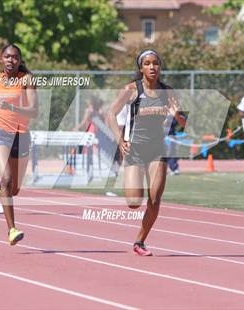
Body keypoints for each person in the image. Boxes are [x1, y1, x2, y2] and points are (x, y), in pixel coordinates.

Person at [107, 49, 185, 256]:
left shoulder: (167, 92)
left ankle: (140, 241)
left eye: (156, 63)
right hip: (135, 149)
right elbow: (110, 114)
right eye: (147, 63)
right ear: (140, 68)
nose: (152, 67)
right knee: (134, 202)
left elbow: (185, 123)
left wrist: (177, 113)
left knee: (155, 198)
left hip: (157, 150)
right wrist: (119, 139)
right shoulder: (132, 90)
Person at [0, 43, 38, 246]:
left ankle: (4, 191)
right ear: (1, 59)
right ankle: (12, 229)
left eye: (15, 58)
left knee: (15, 189)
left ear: (20, 61)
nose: (11, 60)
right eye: (7, 57)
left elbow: (34, 111)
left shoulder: (26, 79)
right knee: (6, 178)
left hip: (21, 136)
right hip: (0, 134)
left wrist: (11, 105)